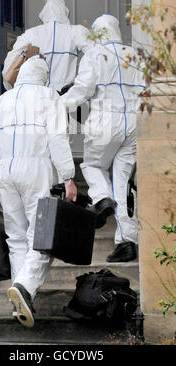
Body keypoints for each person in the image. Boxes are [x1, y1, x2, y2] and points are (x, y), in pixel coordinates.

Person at [0, 55, 77, 328]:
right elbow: (58, 138)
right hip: (36, 168)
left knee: (16, 236)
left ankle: (19, 300)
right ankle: (25, 287)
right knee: (43, 236)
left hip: (4, 171)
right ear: (43, 76)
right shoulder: (49, 96)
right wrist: (68, 176)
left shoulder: (0, 102)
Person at [61, 14, 146, 263]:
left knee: (92, 165)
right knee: (123, 183)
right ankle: (127, 243)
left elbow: (82, 90)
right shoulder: (136, 56)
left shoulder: (95, 56)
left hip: (105, 120)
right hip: (133, 122)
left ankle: (101, 199)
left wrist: (58, 104)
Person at [2, 0, 92, 92]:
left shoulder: (32, 33)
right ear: (65, 12)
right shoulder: (76, 32)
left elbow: (11, 59)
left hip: (38, 94)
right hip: (65, 95)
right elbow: (95, 54)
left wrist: (10, 86)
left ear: (44, 13)